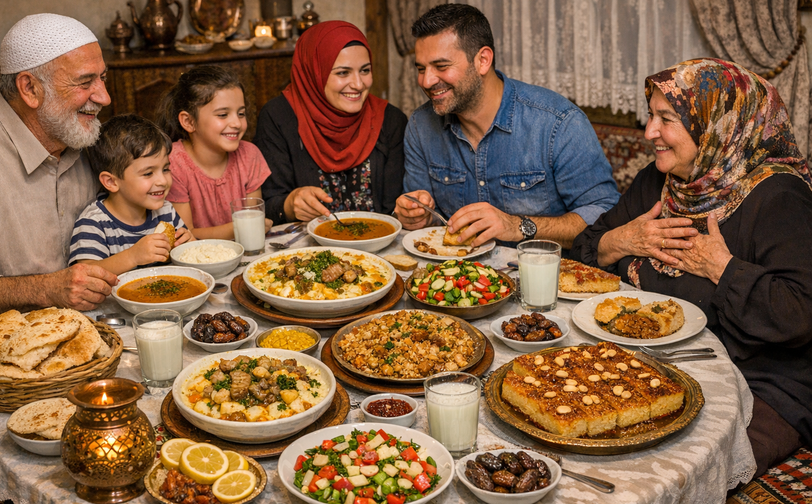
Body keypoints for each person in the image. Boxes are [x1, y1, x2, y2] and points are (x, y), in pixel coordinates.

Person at [571, 58, 812, 477]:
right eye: (651, 116)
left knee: (664, 470)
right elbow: (584, 255)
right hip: (660, 361)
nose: (649, 133)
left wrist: (722, 267)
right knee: (581, 435)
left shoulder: (779, 197)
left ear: (718, 126)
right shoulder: (662, 181)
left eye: (666, 119)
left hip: (762, 381)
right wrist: (619, 241)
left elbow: (800, 313)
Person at [395, 4, 619, 248]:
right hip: (457, 279)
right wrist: (417, 217)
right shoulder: (420, 126)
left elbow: (604, 216)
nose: (426, 81)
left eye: (441, 67)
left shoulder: (558, 122)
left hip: (544, 278)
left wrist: (516, 226)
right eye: (420, 69)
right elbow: (424, 229)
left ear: (483, 60)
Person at [0, 14, 117, 327]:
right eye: (84, 83)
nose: (104, 98)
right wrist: (46, 289)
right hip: (0, 354)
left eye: (102, 78)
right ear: (29, 88)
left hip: (95, 327)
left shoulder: (81, 132)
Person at [254, 21, 408, 225]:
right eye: (343, 73)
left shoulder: (390, 120)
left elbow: (395, 211)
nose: (359, 85)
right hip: (304, 252)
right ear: (314, 73)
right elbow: (262, 208)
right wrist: (290, 205)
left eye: (365, 70)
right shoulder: (277, 117)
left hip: (378, 248)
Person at [68, 115, 193, 275]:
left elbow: (189, 258)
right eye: (148, 173)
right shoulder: (94, 224)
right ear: (111, 182)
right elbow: (85, 273)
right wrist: (133, 257)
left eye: (165, 169)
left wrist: (188, 245)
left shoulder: (166, 211)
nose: (162, 181)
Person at [159, 65, 272, 239]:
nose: (236, 123)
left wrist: (252, 224)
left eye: (241, 113)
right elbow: (185, 234)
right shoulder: (173, 164)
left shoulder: (250, 155)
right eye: (222, 115)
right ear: (189, 121)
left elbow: (253, 217)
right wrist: (243, 226)